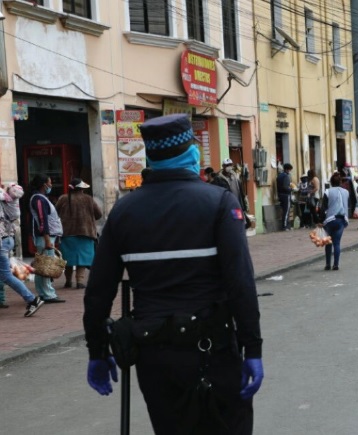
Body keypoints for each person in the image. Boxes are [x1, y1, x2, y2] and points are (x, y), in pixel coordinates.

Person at [82, 113, 263, 435]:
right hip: (214, 351)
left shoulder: (124, 211)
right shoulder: (218, 203)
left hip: (154, 357)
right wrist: (253, 348)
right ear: (192, 152)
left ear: (151, 157)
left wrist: (97, 351)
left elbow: (98, 291)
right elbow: (240, 283)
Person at [0, 180, 44, 316]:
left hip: (2, 242)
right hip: (7, 239)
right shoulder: (9, 202)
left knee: (6, 275)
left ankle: (32, 300)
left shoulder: (5, 200)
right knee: (5, 274)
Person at [55, 178, 102, 289]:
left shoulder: (63, 198)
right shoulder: (88, 199)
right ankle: (79, 281)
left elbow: (55, 213)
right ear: (81, 189)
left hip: (67, 233)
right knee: (82, 259)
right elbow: (99, 214)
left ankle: (68, 281)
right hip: (85, 233)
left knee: (67, 259)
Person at [29, 173, 64, 303]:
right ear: (44, 185)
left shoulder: (42, 198)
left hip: (46, 237)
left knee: (41, 266)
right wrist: (48, 240)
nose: (51, 185)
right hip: (44, 238)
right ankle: (48, 294)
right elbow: (42, 221)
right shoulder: (39, 199)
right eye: (49, 182)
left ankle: (43, 292)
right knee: (46, 266)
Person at [322, 172, 350, 270]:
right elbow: (347, 205)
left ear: (331, 182)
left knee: (328, 242)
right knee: (337, 243)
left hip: (329, 220)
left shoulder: (327, 192)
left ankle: (327, 264)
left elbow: (323, 207)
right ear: (340, 182)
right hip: (342, 219)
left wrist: (320, 220)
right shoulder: (346, 192)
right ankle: (336, 264)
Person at [277, 163, 293, 231]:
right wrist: (291, 189)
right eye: (290, 170)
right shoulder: (286, 176)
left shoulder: (279, 176)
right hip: (286, 195)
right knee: (286, 211)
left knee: (284, 210)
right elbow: (285, 187)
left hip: (280, 195)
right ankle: (285, 226)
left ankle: (286, 225)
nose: (290, 171)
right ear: (287, 169)